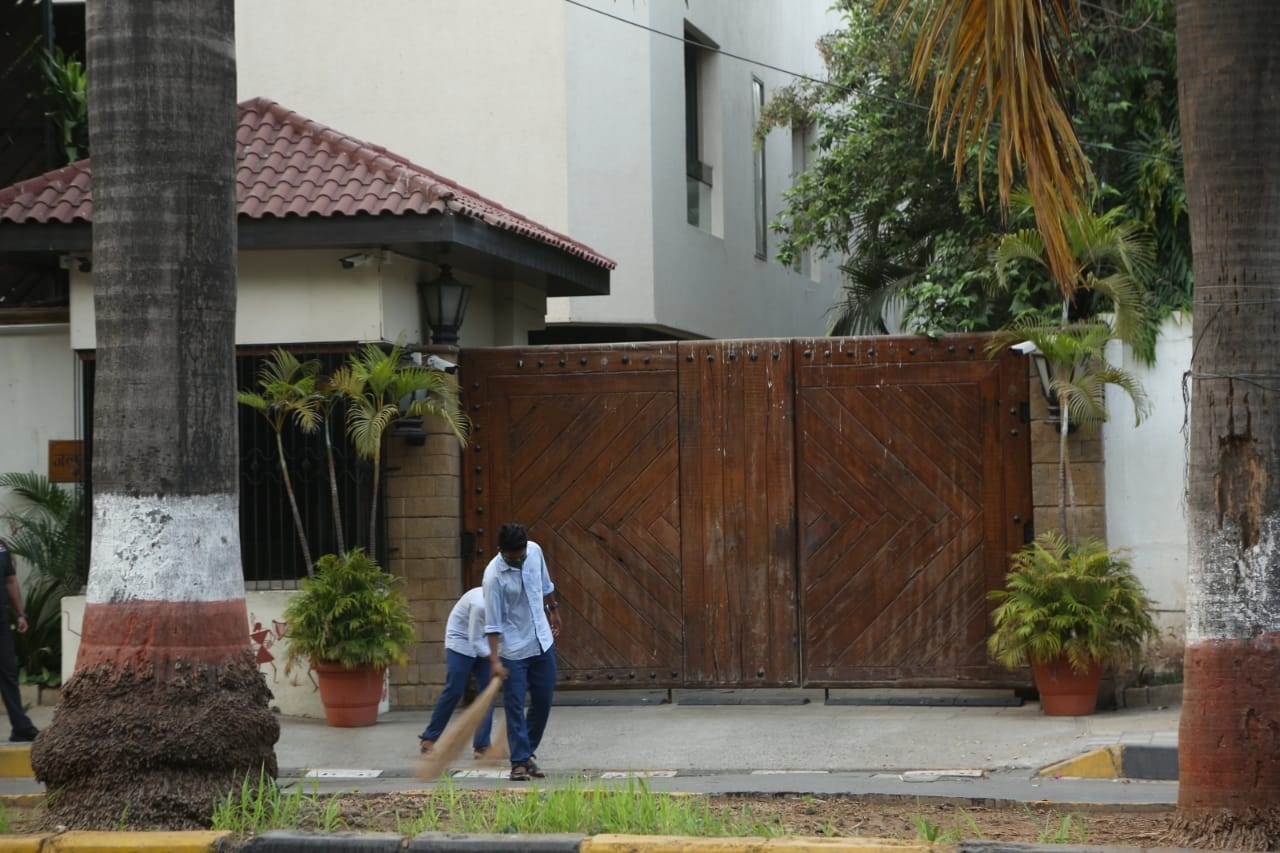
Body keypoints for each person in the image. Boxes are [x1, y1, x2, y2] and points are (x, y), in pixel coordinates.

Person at [482, 522, 561, 781]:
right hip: (513, 649)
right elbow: (492, 624)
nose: (519, 559)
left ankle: (527, 753)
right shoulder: (493, 576)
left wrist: (554, 612)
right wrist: (494, 660)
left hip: (542, 641)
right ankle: (518, 762)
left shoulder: (535, 551)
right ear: (501, 551)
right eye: (513, 556)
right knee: (515, 705)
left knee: (543, 699)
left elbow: (546, 585)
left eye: (521, 554)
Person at [417, 586, 495, 758]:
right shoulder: (479, 604)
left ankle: (481, 746)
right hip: (461, 640)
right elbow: (475, 640)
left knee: (488, 693)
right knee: (454, 690)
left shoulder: (508, 602)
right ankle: (429, 738)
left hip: (485, 639)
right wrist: (495, 659)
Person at [0, 539, 38, 743]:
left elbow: (10, 581)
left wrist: (21, 614)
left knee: (9, 673)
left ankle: (21, 727)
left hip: (1, 623)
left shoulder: (2, 547)